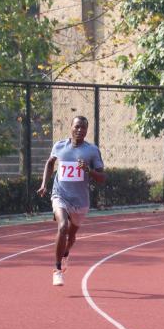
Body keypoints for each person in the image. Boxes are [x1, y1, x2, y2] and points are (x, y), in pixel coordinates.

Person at [36, 116, 105, 286]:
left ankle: (66, 253)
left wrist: (88, 170)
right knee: (62, 227)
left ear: (86, 130)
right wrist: (44, 184)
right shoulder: (60, 146)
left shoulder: (92, 150)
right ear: (71, 127)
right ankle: (57, 269)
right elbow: (50, 163)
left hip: (80, 201)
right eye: (77, 127)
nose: (80, 130)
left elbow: (102, 177)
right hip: (60, 195)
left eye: (83, 128)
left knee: (72, 235)